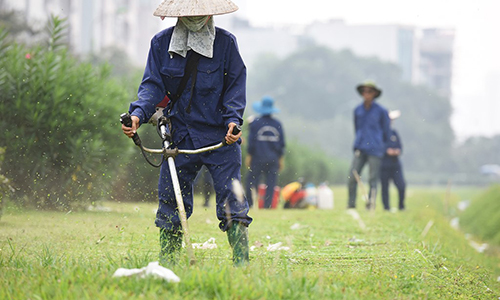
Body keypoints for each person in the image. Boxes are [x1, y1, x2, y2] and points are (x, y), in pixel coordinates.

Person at [121, 0, 252, 265]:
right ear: (179, 14)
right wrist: (137, 114)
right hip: (179, 135)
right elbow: (151, 87)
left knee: (232, 199)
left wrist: (232, 121)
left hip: (220, 138)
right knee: (170, 199)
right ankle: (169, 261)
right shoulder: (161, 44)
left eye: (200, 12)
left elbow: (235, 87)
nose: (195, 17)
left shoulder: (226, 43)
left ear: (209, 12)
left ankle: (242, 263)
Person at [347, 81, 391, 209]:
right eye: (364, 91)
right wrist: (358, 142)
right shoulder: (357, 110)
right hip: (360, 147)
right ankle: (351, 204)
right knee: (352, 176)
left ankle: (371, 203)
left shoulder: (381, 111)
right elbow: (357, 128)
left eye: (369, 91)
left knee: (373, 179)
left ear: (374, 94)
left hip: (375, 149)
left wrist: (383, 147)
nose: (366, 94)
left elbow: (386, 131)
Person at [245, 96, 286, 208]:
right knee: (271, 183)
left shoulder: (255, 123)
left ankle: (249, 203)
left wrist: (249, 156)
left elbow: (251, 142)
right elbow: (281, 145)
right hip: (273, 159)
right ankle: (267, 206)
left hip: (257, 158)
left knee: (250, 180)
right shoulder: (277, 124)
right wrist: (280, 159)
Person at [380, 110, 406, 211]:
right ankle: (386, 207)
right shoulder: (379, 134)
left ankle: (401, 206)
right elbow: (378, 147)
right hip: (384, 164)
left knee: (401, 185)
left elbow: (400, 147)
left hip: (395, 164)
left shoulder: (394, 133)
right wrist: (387, 151)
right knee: (385, 187)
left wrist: (396, 151)